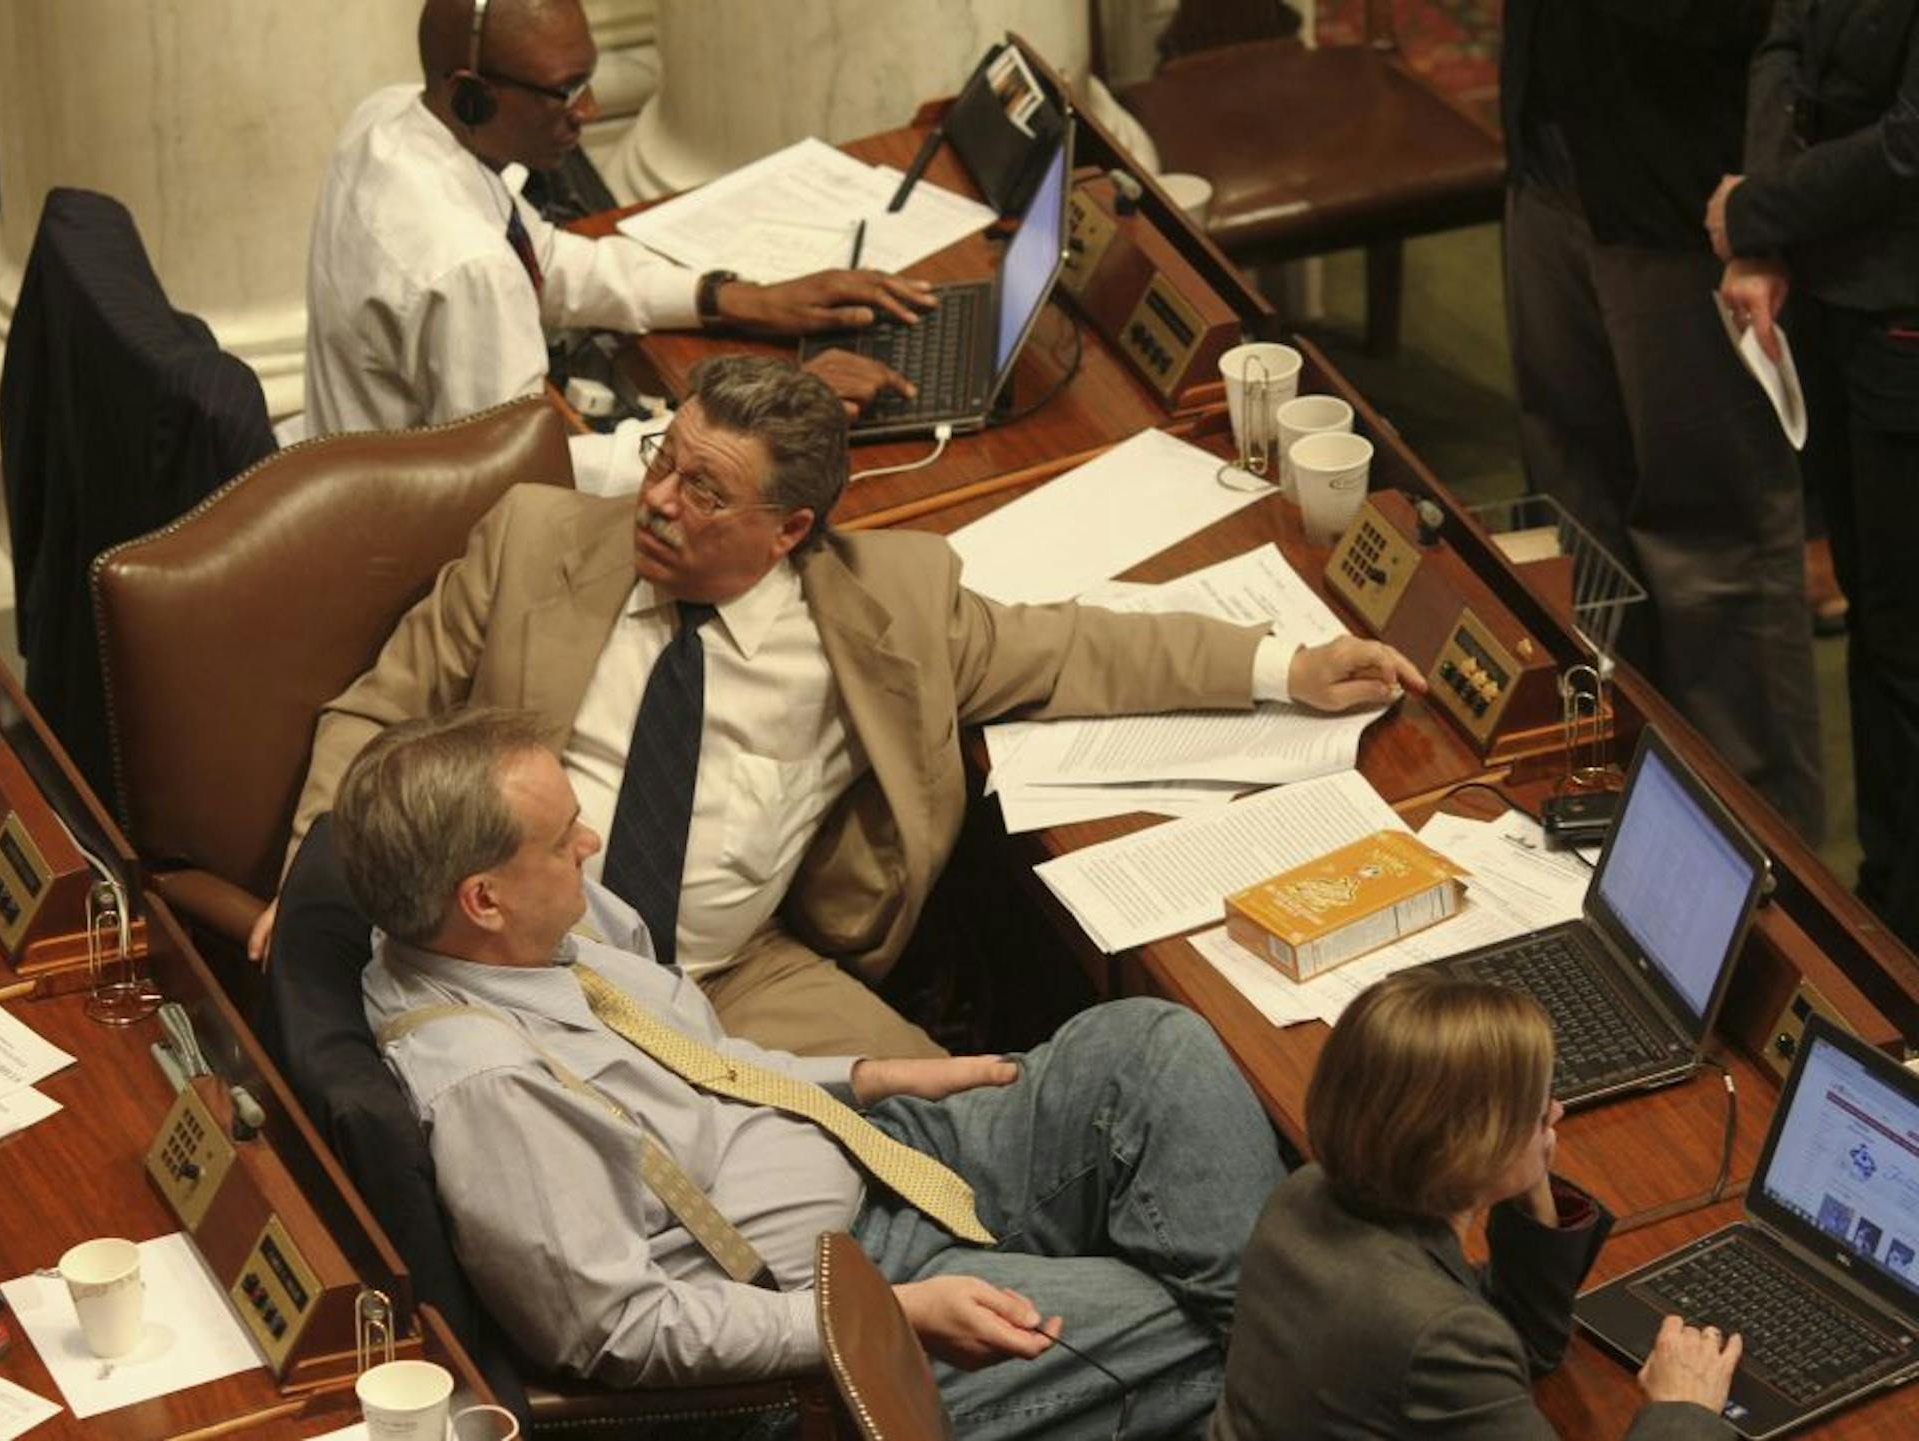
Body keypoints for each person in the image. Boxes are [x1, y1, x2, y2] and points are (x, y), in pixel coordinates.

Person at [258, 354, 1424, 1059]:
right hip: (501, 959)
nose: (655, 499)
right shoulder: (533, 546)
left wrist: (1285, 667)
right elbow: (371, 717)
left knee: (951, 1132)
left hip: (733, 976)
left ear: (789, 531)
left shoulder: (892, 614)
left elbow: (1074, 649)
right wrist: (312, 885)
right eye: (664, 459)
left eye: (701, 489)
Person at [343, 705, 1287, 1436]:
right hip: (831, 1310)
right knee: (1182, 1317)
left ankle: (1298, 1358)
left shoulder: (530, 928)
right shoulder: (491, 1089)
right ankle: (1315, 1366)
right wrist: (895, 1313)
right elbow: (615, 1329)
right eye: (561, 840)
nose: (590, 846)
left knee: (1149, 1043)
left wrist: (865, 1076)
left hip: (870, 1145)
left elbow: (701, 1062)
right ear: (483, 898)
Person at [302, 0, 925, 460]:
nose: (589, 111)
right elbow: (526, 483)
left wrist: (731, 298)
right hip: (426, 553)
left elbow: (546, 262)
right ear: (472, 97)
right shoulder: (467, 266)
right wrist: (765, 414)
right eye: (564, 91)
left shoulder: (390, 118)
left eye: (588, 80)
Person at [1500, 0, 1824, 844]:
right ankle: (1611, 802)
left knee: (1714, 550)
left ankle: (1763, 864)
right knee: (1573, 514)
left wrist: (1766, 210)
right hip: (1549, 151)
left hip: (1681, 192)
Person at [1210, 970, 1741, 1439]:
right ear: (1477, 1146)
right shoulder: (1437, 1335)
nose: (1556, 1112)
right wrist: (1683, 1410)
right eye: (1538, 1111)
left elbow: (1523, 1343)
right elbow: (1463, 1340)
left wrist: (1526, 1177)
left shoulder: (1305, 1194)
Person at [1709, 0, 1919, 947]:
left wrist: (1756, 208)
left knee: (1908, 651)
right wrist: (1759, 235)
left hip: (1906, 314)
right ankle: (1888, 915)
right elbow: (1784, 40)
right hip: (1839, 292)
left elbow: (1912, 143)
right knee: (1878, 636)